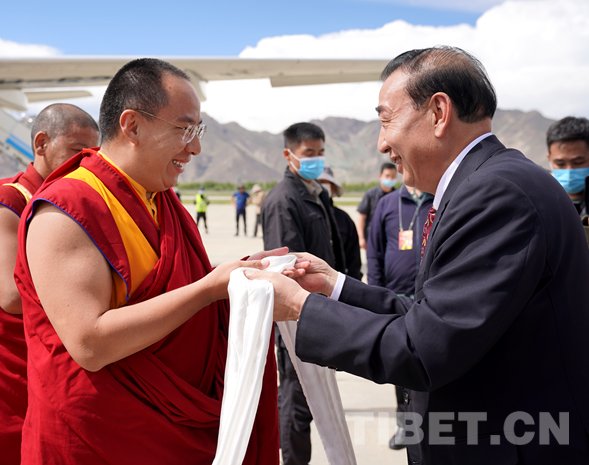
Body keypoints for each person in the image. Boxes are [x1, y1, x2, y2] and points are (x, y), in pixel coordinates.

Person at [249, 46, 589, 464]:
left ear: (438, 113)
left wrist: (300, 307)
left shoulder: (496, 195)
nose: (382, 143)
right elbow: (433, 317)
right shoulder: (485, 184)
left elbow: (424, 349)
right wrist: (333, 286)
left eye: (386, 120)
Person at [13, 58, 280, 464]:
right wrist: (209, 289)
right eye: (184, 129)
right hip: (98, 438)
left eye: (198, 131)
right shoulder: (67, 208)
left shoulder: (160, 199)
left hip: (172, 427)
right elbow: (89, 343)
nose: (195, 147)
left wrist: (242, 277)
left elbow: (171, 287)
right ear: (132, 125)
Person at [0, 104, 100, 465]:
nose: (85, 162)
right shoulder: (6, 203)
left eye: (92, 154)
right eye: (77, 150)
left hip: (43, 360)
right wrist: (91, 304)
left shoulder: (68, 202)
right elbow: (10, 295)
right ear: (41, 143)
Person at [260, 122, 352, 465]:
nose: (316, 159)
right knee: (296, 403)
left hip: (320, 313)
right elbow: (286, 268)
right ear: (289, 155)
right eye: (308, 153)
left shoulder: (316, 194)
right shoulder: (283, 201)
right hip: (299, 318)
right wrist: (306, 311)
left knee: (316, 400)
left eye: (320, 153)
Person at [366, 183, 433, 450]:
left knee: (432, 363)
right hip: (395, 297)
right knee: (400, 364)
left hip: (431, 297)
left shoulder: (438, 198)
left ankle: (430, 425)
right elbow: (374, 252)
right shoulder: (387, 203)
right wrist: (375, 295)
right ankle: (406, 425)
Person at [317, 167, 362, 282]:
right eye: (317, 182)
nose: (320, 186)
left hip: (337, 282)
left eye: (324, 182)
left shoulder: (344, 219)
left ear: (332, 188)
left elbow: (354, 260)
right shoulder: (305, 216)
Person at [545, 116, 589, 216]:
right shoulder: (539, 197)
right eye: (560, 163)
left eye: (578, 162)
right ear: (549, 158)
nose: (569, 170)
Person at [357, 162, 397, 249]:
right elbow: (361, 217)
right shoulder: (370, 194)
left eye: (393, 176)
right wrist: (361, 238)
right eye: (387, 176)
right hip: (372, 239)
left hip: (392, 240)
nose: (390, 179)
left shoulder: (399, 196)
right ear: (380, 176)